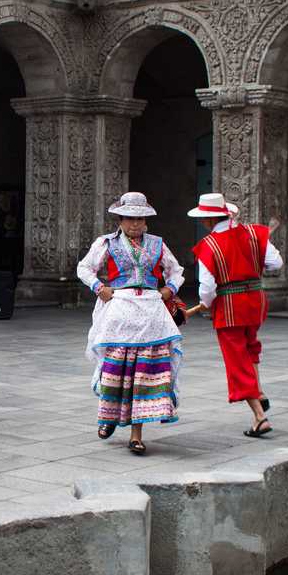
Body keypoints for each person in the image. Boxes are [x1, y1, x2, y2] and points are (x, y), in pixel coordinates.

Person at [76, 192, 185, 455]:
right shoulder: (107, 243)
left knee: (144, 373)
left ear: (146, 221)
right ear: (120, 220)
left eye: (140, 219)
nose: (135, 224)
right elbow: (84, 268)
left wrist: (169, 289)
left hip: (151, 312)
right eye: (130, 219)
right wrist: (99, 287)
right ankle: (108, 417)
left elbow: (176, 270)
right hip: (121, 311)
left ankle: (136, 434)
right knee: (115, 369)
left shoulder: (158, 244)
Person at [187, 192, 283, 438]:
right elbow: (276, 264)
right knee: (251, 348)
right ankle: (259, 394)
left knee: (237, 360)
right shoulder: (254, 233)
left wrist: (204, 303)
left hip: (229, 306)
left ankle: (260, 417)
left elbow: (207, 288)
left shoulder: (208, 246)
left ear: (208, 220)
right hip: (256, 301)